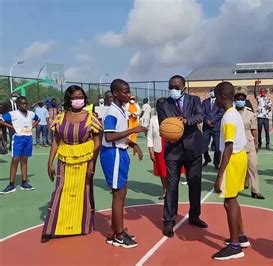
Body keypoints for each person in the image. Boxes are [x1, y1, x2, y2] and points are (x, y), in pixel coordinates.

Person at [42, 85, 103, 242]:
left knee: (83, 192)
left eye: (80, 97)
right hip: (64, 158)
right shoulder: (61, 118)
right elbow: (56, 141)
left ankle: (82, 225)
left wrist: (92, 165)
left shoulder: (91, 118)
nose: (78, 100)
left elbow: (97, 143)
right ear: (69, 99)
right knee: (60, 191)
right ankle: (51, 228)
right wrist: (50, 162)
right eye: (75, 97)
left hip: (85, 159)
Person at [156, 75, 208, 238]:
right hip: (173, 150)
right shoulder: (163, 104)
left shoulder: (194, 100)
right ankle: (169, 221)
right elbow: (164, 124)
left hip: (193, 148)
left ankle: (194, 216)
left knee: (195, 184)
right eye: (171, 86)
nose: (173, 90)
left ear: (184, 87)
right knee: (171, 187)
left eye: (177, 87)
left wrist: (186, 120)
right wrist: (173, 127)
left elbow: (200, 116)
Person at [100, 79, 146, 248]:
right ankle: (118, 235)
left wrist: (134, 144)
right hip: (113, 154)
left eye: (129, 91)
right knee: (118, 193)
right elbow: (109, 136)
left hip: (120, 152)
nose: (128, 94)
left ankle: (116, 232)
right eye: (125, 92)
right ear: (115, 93)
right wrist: (134, 130)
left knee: (122, 192)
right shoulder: (111, 112)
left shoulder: (121, 110)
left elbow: (119, 134)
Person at [212, 81, 249, 260]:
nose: (215, 99)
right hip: (240, 156)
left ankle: (235, 246)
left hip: (232, 159)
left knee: (229, 202)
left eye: (216, 96)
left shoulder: (228, 117)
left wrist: (219, 176)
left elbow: (228, 147)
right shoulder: (234, 113)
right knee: (233, 199)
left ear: (223, 97)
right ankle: (241, 237)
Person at [147, 98, 187, 200]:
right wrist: (151, 151)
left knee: (173, 171)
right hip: (159, 148)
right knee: (162, 172)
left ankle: (172, 190)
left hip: (172, 147)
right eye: (159, 105)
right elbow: (150, 136)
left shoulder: (174, 119)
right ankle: (165, 191)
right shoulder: (153, 120)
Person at [0, 96, 39, 194]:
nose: (24, 105)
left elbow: (38, 119)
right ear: (18, 104)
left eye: (26, 103)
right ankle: (11, 184)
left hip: (28, 138)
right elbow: (1, 120)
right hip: (18, 139)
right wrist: (11, 126)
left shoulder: (31, 113)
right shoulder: (13, 114)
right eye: (22, 103)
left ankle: (24, 182)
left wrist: (32, 126)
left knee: (24, 160)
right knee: (15, 160)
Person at [235, 86, 265, 199]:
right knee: (238, 168)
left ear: (245, 100)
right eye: (238, 98)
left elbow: (254, 129)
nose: (240, 100)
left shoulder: (250, 113)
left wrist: (256, 143)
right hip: (236, 144)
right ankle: (237, 187)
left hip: (248, 142)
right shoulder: (231, 112)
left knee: (253, 166)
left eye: (242, 98)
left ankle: (255, 190)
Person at [202, 88, 224, 169]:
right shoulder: (205, 102)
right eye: (211, 91)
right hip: (206, 127)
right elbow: (201, 112)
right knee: (203, 145)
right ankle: (207, 158)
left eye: (213, 91)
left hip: (217, 127)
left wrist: (213, 121)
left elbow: (221, 112)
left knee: (218, 148)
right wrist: (207, 121)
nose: (212, 93)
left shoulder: (220, 102)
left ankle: (216, 163)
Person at [253, 82, 272, 149]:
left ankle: (267, 144)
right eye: (261, 91)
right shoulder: (258, 98)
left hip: (266, 117)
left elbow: (270, 107)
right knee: (259, 131)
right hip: (259, 117)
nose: (262, 92)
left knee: (267, 131)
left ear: (265, 92)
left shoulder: (268, 99)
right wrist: (255, 85)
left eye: (263, 91)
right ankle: (259, 144)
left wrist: (267, 110)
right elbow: (255, 93)